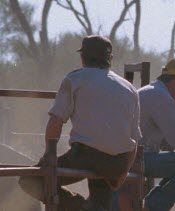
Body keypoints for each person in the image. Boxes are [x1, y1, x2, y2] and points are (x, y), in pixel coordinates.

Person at [18, 35, 141, 211]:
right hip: (117, 163)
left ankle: (80, 207)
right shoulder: (130, 89)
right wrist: (123, 171)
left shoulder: (75, 79)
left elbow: (56, 120)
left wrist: (49, 156)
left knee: (30, 180)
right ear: (110, 59)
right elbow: (135, 139)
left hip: (86, 156)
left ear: (82, 57)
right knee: (101, 195)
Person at [114, 57, 175, 211]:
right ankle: (153, 206)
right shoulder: (162, 98)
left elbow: (169, 143)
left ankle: (152, 203)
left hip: (128, 158)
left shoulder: (153, 92)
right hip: (138, 159)